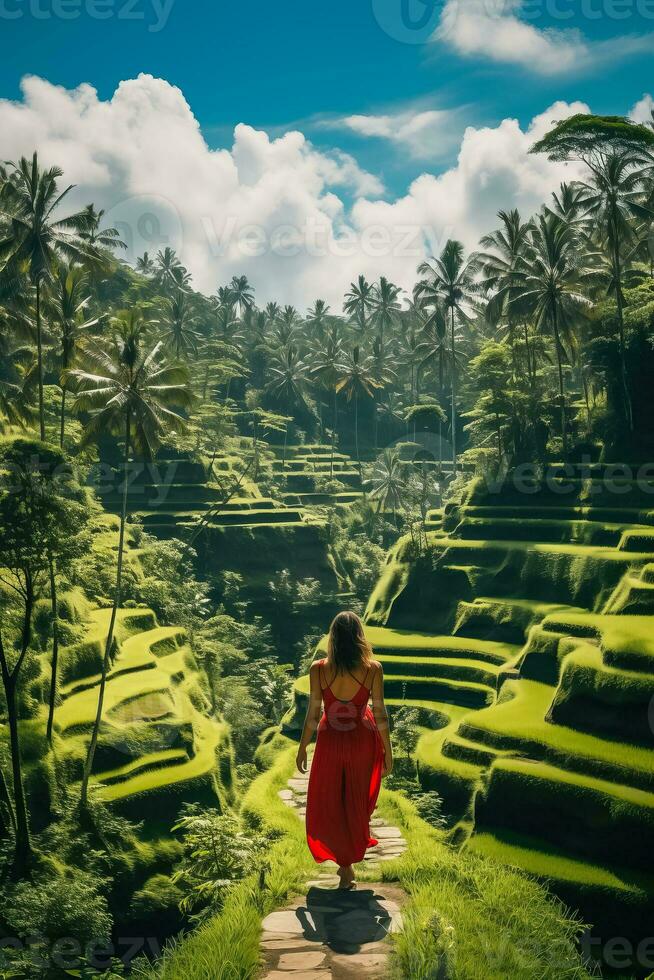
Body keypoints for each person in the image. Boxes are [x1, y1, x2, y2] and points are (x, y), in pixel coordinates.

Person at [296, 610, 393, 889]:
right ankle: (347, 864)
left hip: (329, 740)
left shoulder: (318, 669)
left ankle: (345, 865)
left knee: (330, 801)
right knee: (355, 800)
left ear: (333, 637)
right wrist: (388, 750)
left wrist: (303, 747)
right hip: (361, 739)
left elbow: (313, 715)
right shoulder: (373, 669)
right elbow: (380, 711)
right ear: (359, 637)